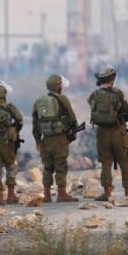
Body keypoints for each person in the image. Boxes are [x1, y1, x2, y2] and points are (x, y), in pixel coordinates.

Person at [88, 68, 128, 201]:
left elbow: (93, 110)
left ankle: (107, 193)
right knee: (124, 162)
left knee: (106, 163)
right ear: (112, 80)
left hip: (102, 134)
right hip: (119, 132)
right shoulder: (118, 93)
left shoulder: (94, 95)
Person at [32, 74, 79, 203]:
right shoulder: (62, 99)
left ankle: (47, 195)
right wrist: (73, 131)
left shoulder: (39, 101)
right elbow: (72, 117)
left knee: (47, 167)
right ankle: (62, 194)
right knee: (61, 165)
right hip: (60, 139)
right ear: (58, 86)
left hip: (45, 139)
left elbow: (35, 123)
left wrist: (38, 140)